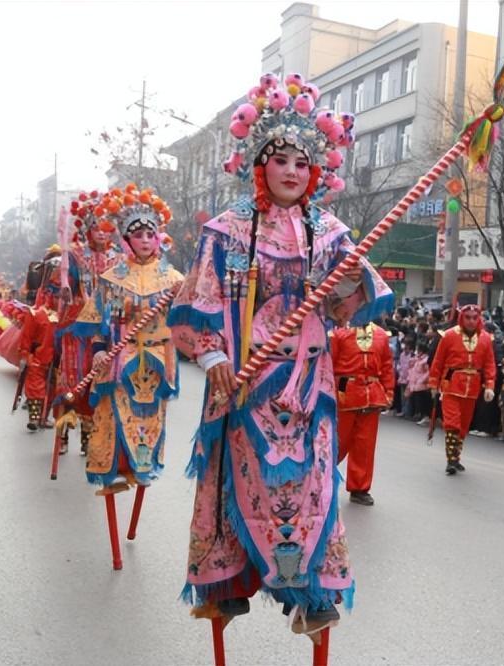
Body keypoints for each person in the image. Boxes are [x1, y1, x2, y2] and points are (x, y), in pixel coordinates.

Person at [169, 73, 392, 635]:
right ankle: (230, 580)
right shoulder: (226, 232)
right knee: (238, 476)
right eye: (281, 159)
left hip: (308, 384)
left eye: (302, 162)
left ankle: (313, 591)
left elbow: (351, 303)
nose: (292, 170)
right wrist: (213, 356)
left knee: (313, 483)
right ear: (259, 164)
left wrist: (343, 281)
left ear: (315, 171)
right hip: (246, 383)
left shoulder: (332, 232)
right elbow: (201, 302)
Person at [83, 184, 182, 495]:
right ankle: (114, 467)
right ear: (126, 240)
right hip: (120, 356)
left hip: (158, 360)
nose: (145, 240)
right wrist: (99, 350)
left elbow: (186, 323)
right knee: (113, 412)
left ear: (158, 238)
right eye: (138, 235)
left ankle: (143, 467)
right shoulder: (112, 279)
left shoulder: (175, 280)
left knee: (149, 417)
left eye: (150, 235)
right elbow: (99, 322)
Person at [55, 191, 122, 454]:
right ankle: (62, 434)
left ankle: (89, 435)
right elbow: (64, 286)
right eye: (97, 227)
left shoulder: (119, 259)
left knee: (98, 382)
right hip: (77, 329)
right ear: (88, 229)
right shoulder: (74, 255)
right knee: (72, 380)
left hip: (105, 329)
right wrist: (63, 288)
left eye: (107, 228)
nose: (102, 233)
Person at [331, 321, 395, 506]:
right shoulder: (339, 333)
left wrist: (388, 392)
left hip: (372, 395)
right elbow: (330, 364)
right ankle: (321, 478)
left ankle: (359, 488)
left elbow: (387, 367)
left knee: (365, 446)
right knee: (338, 442)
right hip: (345, 394)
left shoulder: (382, 334)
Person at [428, 304, 496, 475]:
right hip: (451, 386)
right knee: (452, 423)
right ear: (461, 318)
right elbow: (438, 361)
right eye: (468, 317)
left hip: (472, 387)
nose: (472, 321)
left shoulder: (486, 338)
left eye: (475, 317)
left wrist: (489, 385)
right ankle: (451, 460)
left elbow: (489, 364)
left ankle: (456, 457)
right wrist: (433, 384)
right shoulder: (449, 336)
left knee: (464, 425)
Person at [18, 245, 63, 431]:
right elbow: (27, 338)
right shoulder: (37, 313)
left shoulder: (68, 314)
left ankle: (45, 415)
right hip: (39, 354)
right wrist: (26, 355)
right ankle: (35, 417)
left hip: (58, 356)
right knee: (36, 383)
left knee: (54, 385)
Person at [407, 340, 432, 423]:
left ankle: (424, 416)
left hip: (422, 384)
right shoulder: (417, 359)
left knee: (422, 401)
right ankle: (419, 415)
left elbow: (428, 372)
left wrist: (421, 380)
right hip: (415, 383)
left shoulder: (425, 360)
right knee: (417, 401)